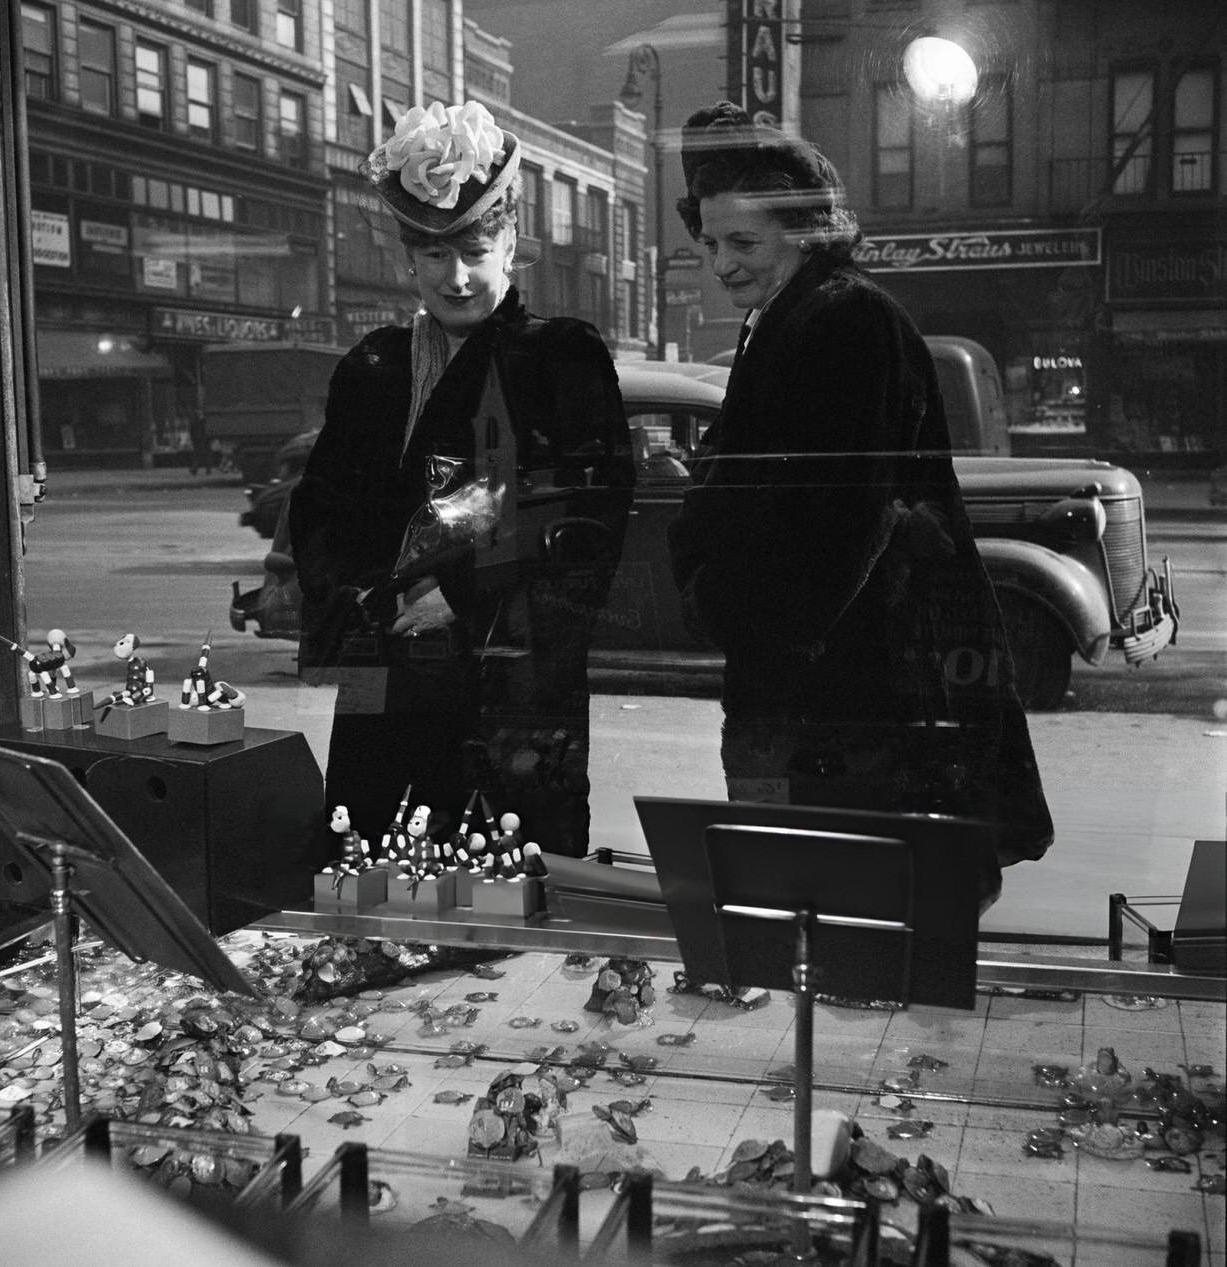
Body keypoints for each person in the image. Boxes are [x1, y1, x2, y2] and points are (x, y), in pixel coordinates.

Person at [667, 103, 1053, 904]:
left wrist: (712, 592)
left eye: (744, 242)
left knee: (859, 936)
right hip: (831, 698)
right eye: (709, 243)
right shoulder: (793, 314)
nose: (722, 265)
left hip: (856, 702)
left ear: (806, 234)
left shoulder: (844, 319)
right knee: (834, 937)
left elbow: (829, 539)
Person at [290, 100, 634, 858]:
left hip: (506, 683)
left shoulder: (560, 360)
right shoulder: (372, 368)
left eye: (475, 248)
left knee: (508, 899)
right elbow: (320, 513)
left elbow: (586, 523)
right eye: (435, 254)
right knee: (370, 879)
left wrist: (459, 595)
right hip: (384, 673)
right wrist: (372, 596)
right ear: (409, 259)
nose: (457, 275)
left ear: (512, 242)